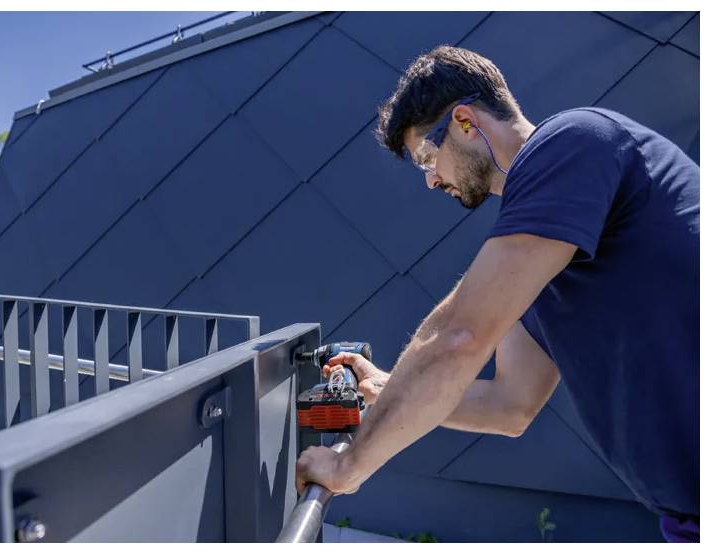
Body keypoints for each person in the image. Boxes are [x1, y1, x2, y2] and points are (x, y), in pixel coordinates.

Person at [294, 45, 699, 542]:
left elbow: (458, 336)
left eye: (426, 154)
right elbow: (510, 404)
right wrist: (387, 388)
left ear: (464, 122)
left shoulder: (573, 141)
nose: (430, 179)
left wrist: (348, 466)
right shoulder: (550, 245)